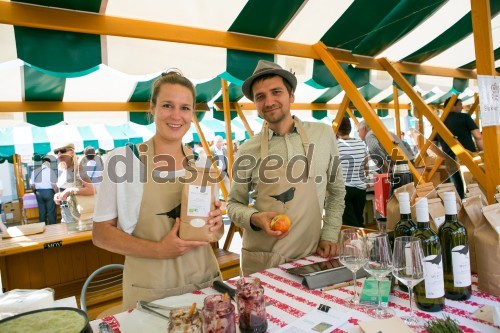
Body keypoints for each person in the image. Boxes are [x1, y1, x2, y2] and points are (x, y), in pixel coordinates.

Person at [92, 70, 224, 309]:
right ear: (152, 108)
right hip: (151, 292)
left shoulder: (202, 165)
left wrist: (217, 224)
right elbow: (101, 234)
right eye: (167, 105)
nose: (176, 115)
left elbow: (212, 232)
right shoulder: (122, 161)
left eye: (185, 108)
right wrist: (159, 250)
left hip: (204, 285)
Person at [227, 60, 346, 275]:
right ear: (255, 104)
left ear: (291, 95)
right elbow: (233, 204)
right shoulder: (247, 149)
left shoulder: (323, 134)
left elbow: (336, 191)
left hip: (312, 256)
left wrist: (329, 233)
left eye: (276, 92)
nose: (269, 101)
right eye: (260, 97)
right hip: (264, 259)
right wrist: (254, 218)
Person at [436, 97, 483, 199]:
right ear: (453, 106)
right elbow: (478, 136)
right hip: (468, 158)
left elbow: (431, 146)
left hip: (450, 160)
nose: (461, 108)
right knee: (474, 188)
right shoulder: (464, 117)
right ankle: (475, 212)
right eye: (460, 105)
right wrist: (482, 152)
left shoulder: (438, 123)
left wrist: (445, 156)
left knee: (458, 190)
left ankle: (461, 212)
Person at [337, 116, 367, 228]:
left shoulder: (335, 145)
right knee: (359, 221)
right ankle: (363, 244)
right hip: (360, 189)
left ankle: (357, 245)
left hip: (344, 189)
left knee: (349, 226)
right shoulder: (361, 143)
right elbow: (366, 166)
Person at [53, 143, 95, 223]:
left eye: (62, 150)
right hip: (65, 213)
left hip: (80, 214)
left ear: (71, 152)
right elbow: (63, 189)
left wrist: (70, 190)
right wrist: (57, 195)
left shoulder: (79, 168)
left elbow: (91, 189)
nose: (59, 153)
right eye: (56, 152)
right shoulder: (62, 169)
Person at [30, 157, 58, 225]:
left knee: (42, 211)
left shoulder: (34, 171)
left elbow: (32, 185)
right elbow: (54, 185)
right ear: (48, 163)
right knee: (51, 211)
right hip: (49, 192)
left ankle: (42, 227)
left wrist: (35, 192)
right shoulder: (50, 171)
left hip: (38, 192)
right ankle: (53, 227)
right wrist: (57, 193)